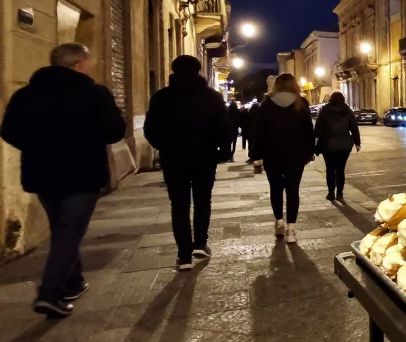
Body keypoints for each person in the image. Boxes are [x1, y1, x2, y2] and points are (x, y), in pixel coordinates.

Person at [0, 43, 125, 316]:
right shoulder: (94, 94)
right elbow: (115, 131)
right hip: (83, 174)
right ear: (79, 63)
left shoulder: (26, 95)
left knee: (63, 228)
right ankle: (49, 292)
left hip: (41, 173)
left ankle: (74, 281)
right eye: (88, 62)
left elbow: (9, 131)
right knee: (69, 230)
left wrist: (37, 148)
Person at [144, 55, 231, 269]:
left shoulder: (161, 97)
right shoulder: (211, 97)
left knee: (179, 205)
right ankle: (200, 243)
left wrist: (163, 146)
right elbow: (224, 127)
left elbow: (150, 129)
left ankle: (184, 255)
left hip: (174, 159)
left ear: (173, 70)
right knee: (203, 200)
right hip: (205, 157)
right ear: (198, 70)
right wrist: (221, 151)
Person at [249, 74, 315, 243]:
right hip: (296, 154)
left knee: (276, 189)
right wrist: (309, 151)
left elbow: (258, 132)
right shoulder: (301, 103)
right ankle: (291, 230)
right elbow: (308, 130)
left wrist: (256, 156)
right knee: (293, 190)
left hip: (272, 154)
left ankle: (279, 221)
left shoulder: (267, 104)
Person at [313, 91, 360, 201]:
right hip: (344, 146)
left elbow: (318, 130)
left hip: (328, 146)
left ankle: (330, 193)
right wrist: (357, 143)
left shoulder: (324, 111)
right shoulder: (347, 111)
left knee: (330, 169)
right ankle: (340, 193)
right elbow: (354, 128)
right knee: (340, 169)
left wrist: (315, 143)